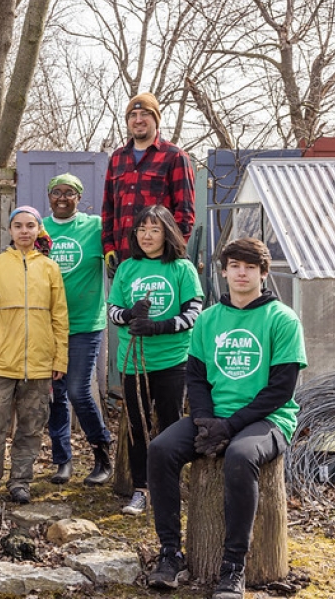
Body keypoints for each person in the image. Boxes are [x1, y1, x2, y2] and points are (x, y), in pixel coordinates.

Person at [146, 238, 306, 599]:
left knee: (239, 456)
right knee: (160, 449)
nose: (242, 273)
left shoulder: (282, 319)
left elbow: (281, 389)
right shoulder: (209, 319)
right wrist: (204, 421)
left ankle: (233, 567)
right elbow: (196, 377)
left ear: (264, 273)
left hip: (269, 420)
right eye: (235, 265)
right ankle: (170, 554)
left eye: (250, 267)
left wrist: (230, 427)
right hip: (215, 415)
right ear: (224, 271)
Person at [106, 204, 203, 516]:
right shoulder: (126, 268)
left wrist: (159, 326)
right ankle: (141, 488)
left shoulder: (181, 268)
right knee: (138, 426)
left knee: (171, 425)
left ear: (167, 233)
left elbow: (193, 313)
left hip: (172, 361)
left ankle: (170, 485)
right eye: (142, 229)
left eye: (155, 230)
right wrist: (130, 314)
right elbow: (112, 311)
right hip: (133, 362)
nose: (147, 235)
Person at [0, 206, 69, 504]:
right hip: (1, 363)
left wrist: (59, 359)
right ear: (10, 231)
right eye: (18, 226)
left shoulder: (50, 268)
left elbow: (60, 317)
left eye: (30, 226)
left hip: (39, 365)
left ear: (39, 229)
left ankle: (21, 481)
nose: (24, 231)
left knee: (31, 427)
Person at [43, 173, 114, 486]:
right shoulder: (39, 229)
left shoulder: (95, 227)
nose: (61, 197)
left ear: (79, 197)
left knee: (78, 391)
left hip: (85, 324)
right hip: (47, 326)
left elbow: (117, 253)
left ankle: (102, 454)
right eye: (56, 192)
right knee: (54, 396)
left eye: (68, 192)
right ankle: (63, 462)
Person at [101, 91, 195, 277]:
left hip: (160, 262)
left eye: (145, 114)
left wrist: (172, 252)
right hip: (124, 260)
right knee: (123, 307)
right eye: (133, 115)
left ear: (156, 119)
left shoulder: (175, 156)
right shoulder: (118, 158)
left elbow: (185, 213)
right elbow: (108, 210)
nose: (138, 120)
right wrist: (109, 247)